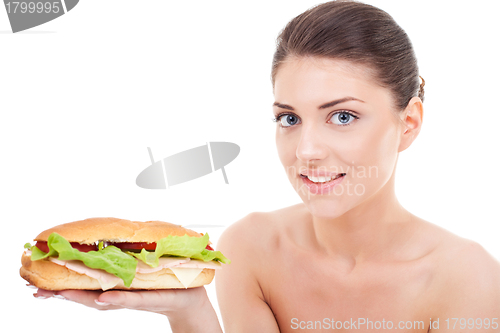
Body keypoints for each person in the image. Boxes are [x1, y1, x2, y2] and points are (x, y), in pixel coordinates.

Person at [35, 1, 500, 332]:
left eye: (343, 116)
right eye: (289, 118)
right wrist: (189, 312)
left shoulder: (467, 278)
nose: (307, 151)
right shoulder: (251, 248)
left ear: (409, 123)